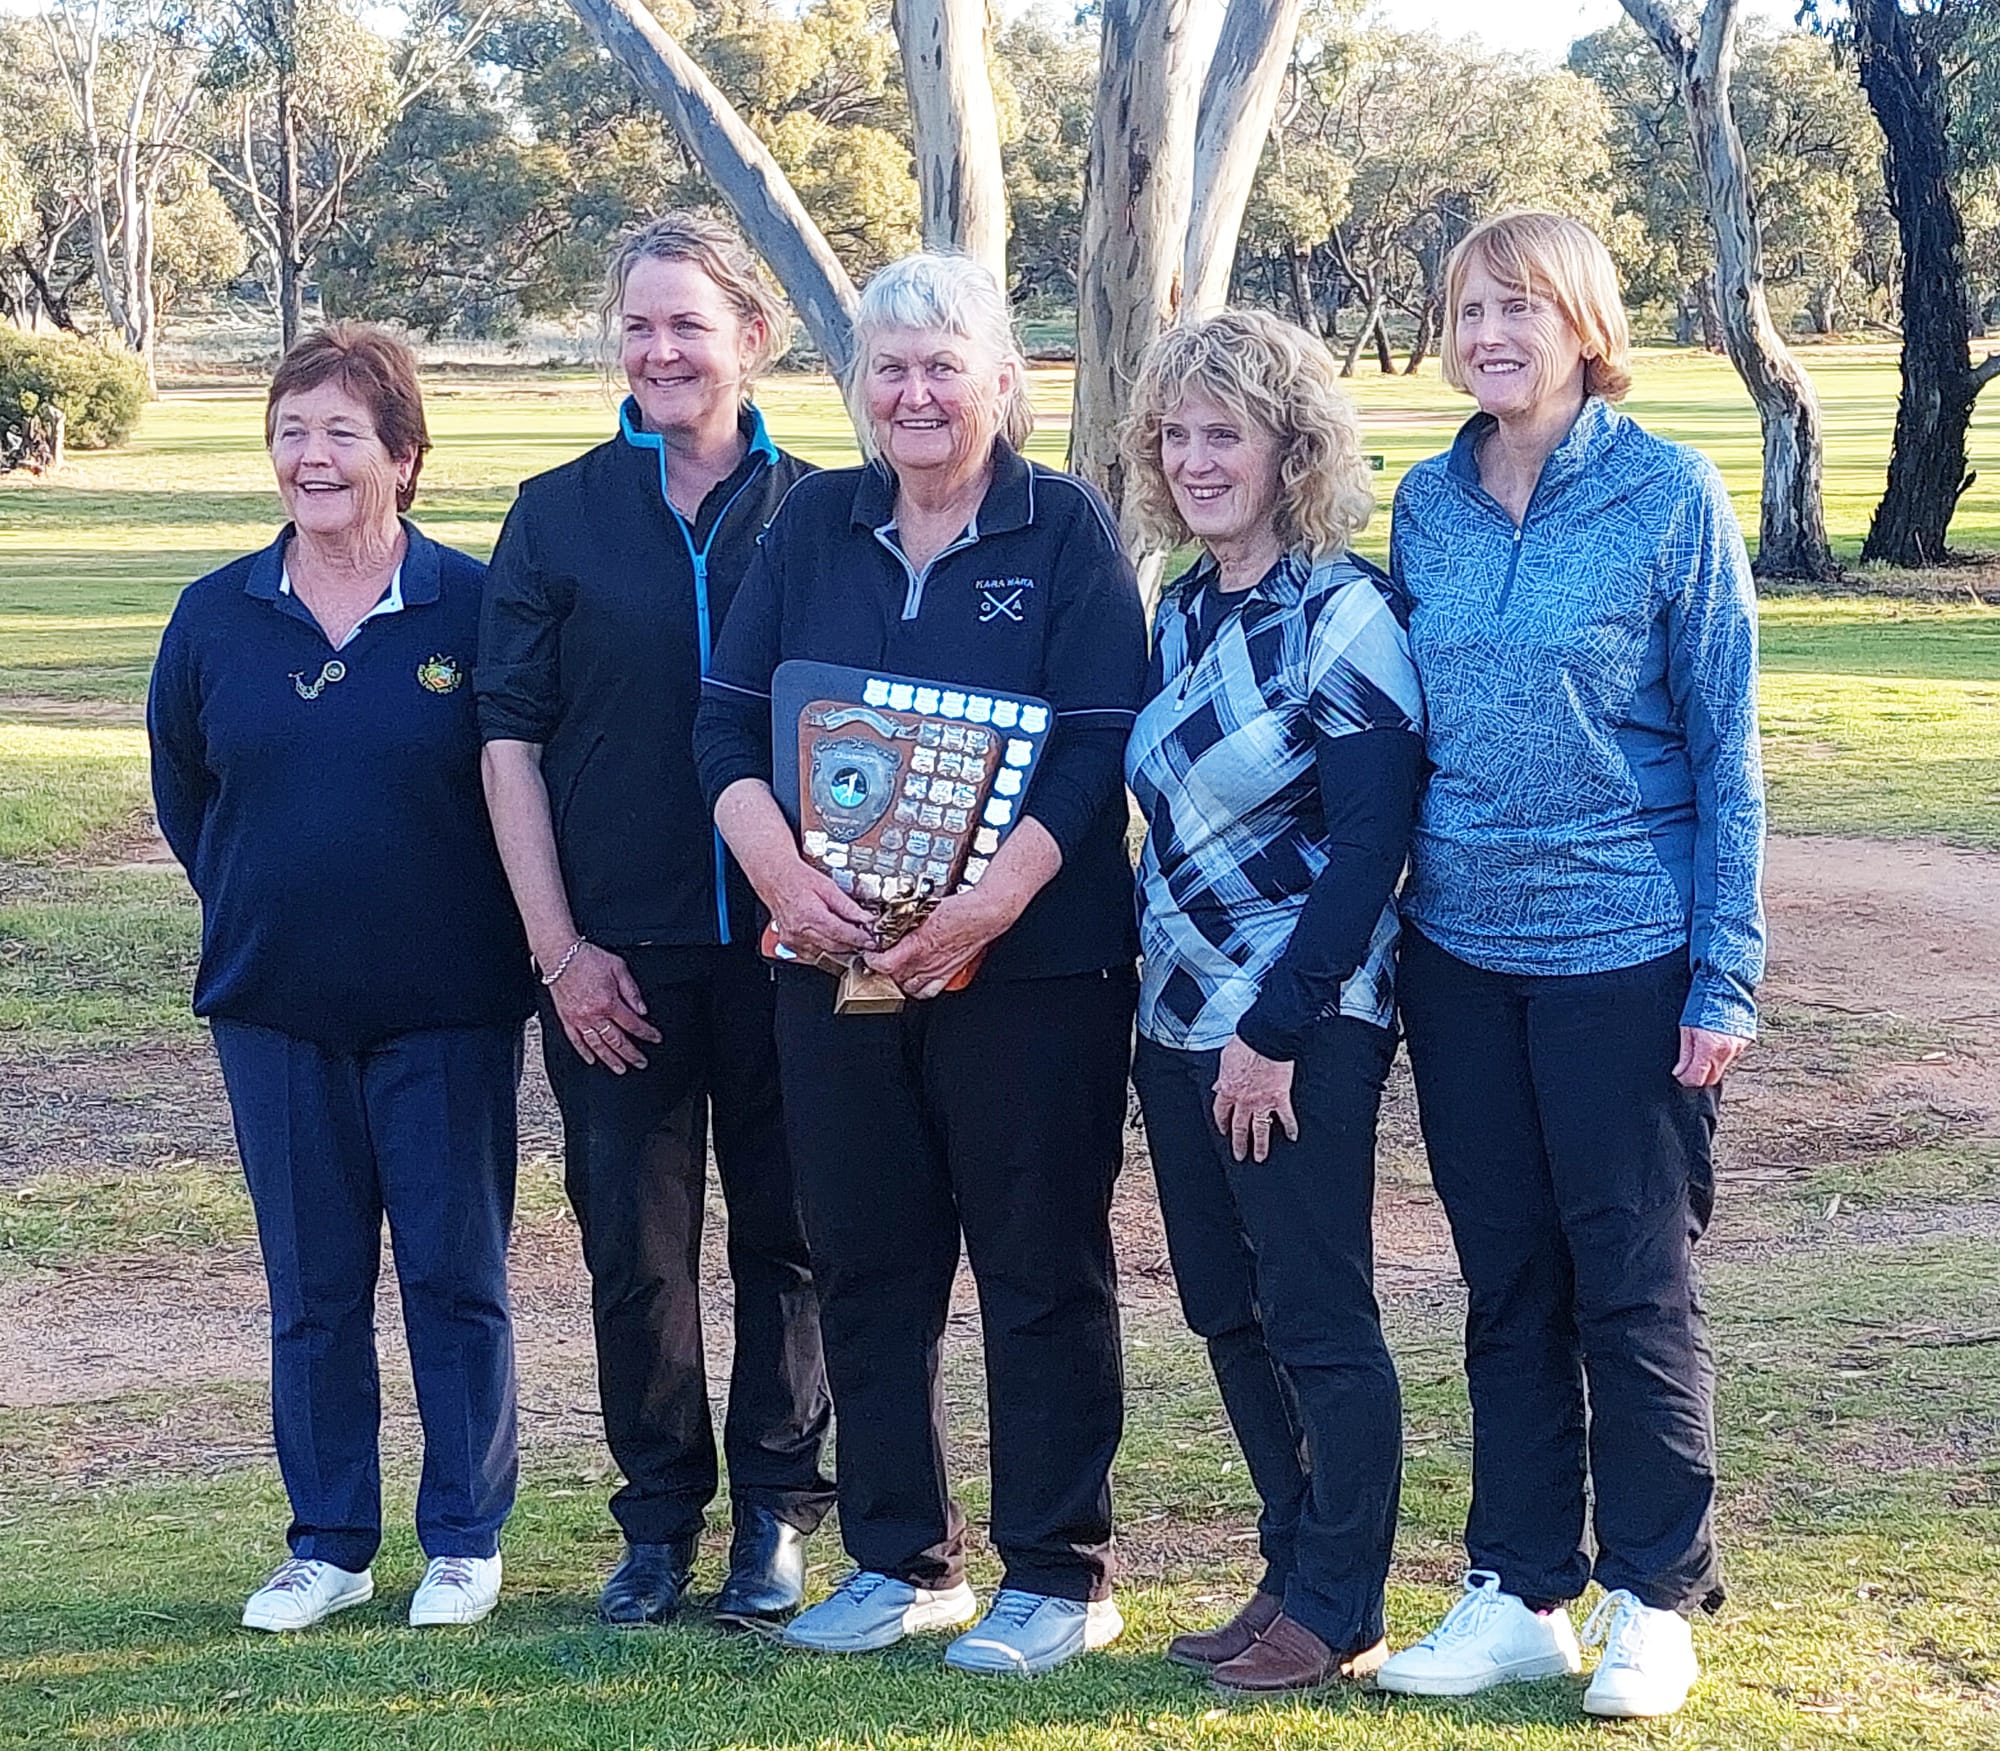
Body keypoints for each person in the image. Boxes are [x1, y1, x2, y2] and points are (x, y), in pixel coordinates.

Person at [694, 251, 1146, 1677]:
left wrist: (983, 910)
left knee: (1036, 1263)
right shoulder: (816, 521)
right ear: (857, 389)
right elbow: (720, 726)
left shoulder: (1062, 527)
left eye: (943, 364)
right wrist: (781, 875)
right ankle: (902, 1560)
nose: (915, 393)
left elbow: (1096, 743)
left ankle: (1060, 1574)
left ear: (1001, 380)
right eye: (889, 368)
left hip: (1030, 974)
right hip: (831, 969)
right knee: (869, 1261)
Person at [1373, 210, 1764, 1721]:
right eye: (1468, 309)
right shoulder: (1426, 505)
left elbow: (1727, 754)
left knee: (1635, 1287)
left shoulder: (1669, 494)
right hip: (1460, 955)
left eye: (1519, 308)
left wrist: (1724, 971)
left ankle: (1655, 1596)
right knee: (1507, 1284)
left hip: (1630, 955)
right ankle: (1522, 1588)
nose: (1490, 335)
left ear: (1583, 322)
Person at [147, 323, 533, 1633]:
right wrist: (283, 906)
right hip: (275, 1011)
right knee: (313, 1296)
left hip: (447, 1009)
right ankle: (329, 1544)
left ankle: (465, 1540)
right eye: (292, 430)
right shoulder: (214, 616)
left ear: (405, 457)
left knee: (452, 1277)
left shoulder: (475, 610)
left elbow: (521, 794)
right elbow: (189, 799)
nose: (313, 457)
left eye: (342, 433)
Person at [476, 214, 833, 1627]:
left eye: (689, 324)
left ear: (753, 334)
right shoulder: (555, 513)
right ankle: (659, 1515)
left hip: (791, 947)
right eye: (638, 325)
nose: (661, 350)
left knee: (791, 1236)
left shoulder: (822, 510)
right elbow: (506, 739)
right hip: (613, 954)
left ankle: (778, 1513)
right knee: (633, 1242)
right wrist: (558, 951)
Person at [1120, 310, 1425, 1695]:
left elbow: (1370, 849)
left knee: (1315, 1313)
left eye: (1223, 433)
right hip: (1174, 1018)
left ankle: (1342, 1604)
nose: (1196, 459)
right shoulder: (1184, 604)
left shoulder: (1343, 613)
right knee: (1223, 1312)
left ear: (1288, 446)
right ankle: (1287, 1568)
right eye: (1177, 435)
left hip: (1300, 1022)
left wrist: (1273, 1031)